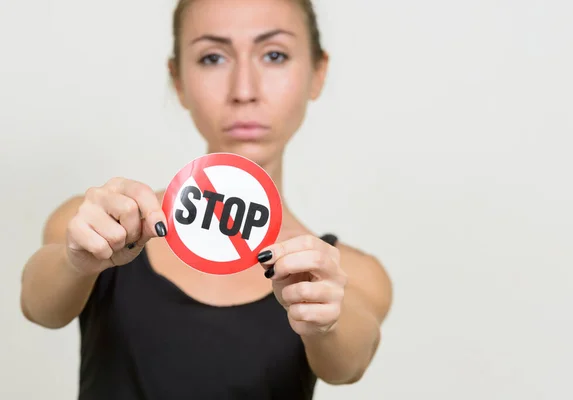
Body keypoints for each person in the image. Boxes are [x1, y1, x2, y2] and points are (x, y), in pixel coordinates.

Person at [20, 0, 393, 398]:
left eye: (274, 55)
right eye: (213, 58)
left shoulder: (347, 273)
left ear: (317, 74)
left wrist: (325, 322)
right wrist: (75, 261)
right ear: (178, 80)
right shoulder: (103, 225)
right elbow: (38, 306)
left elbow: (347, 366)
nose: (244, 91)